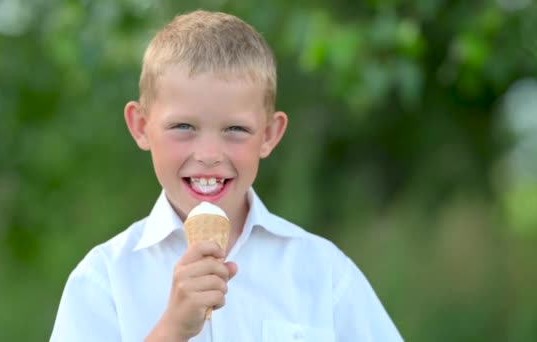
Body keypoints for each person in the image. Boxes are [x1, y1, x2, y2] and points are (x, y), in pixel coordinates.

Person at [50, 10, 403, 341]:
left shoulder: (323, 274)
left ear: (268, 134)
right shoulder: (104, 280)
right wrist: (171, 330)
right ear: (141, 126)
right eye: (183, 126)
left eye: (235, 129)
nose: (208, 155)